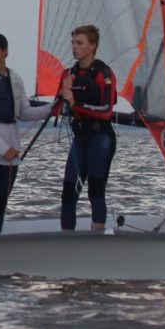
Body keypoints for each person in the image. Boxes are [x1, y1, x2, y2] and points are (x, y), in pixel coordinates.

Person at [0, 32, 53, 235]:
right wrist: (3, 149)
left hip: (11, 152)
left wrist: (53, 108)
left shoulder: (15, 79)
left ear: (5, 51)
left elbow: (24, 112)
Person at [56, 24, 119, 231]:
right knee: (68, 192)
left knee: (95, 190)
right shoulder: (68, 74)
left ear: (92, 45)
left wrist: (75, 103)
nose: (74, 47)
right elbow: (58, 108)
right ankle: (67, 238)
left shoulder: (104, 73)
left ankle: (98, 236)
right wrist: (62, 95)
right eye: (73, 43)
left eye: (79, 43)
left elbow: (106, 111)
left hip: (101, 137)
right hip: (80, 137)